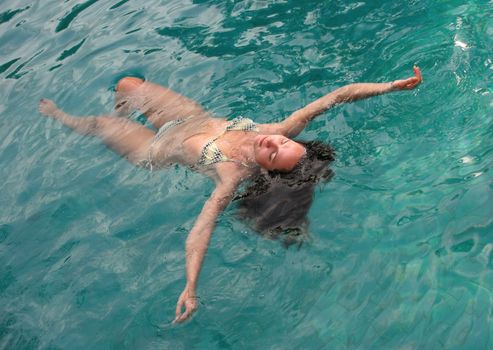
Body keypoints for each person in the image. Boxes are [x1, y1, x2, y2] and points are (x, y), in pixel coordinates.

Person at [39, 66, 422, 323]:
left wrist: (190, 286)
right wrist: (390, 86)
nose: (269, 141)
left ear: (268, 169)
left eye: (271, 152)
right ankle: (124, 113)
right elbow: (336, 96)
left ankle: (61, 118)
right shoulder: (277, 128)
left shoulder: (231, 175)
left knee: (100, 124)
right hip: (186, 116)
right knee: (127, 85)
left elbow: (202, 228)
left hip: (154, 151)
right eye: (279, 141)